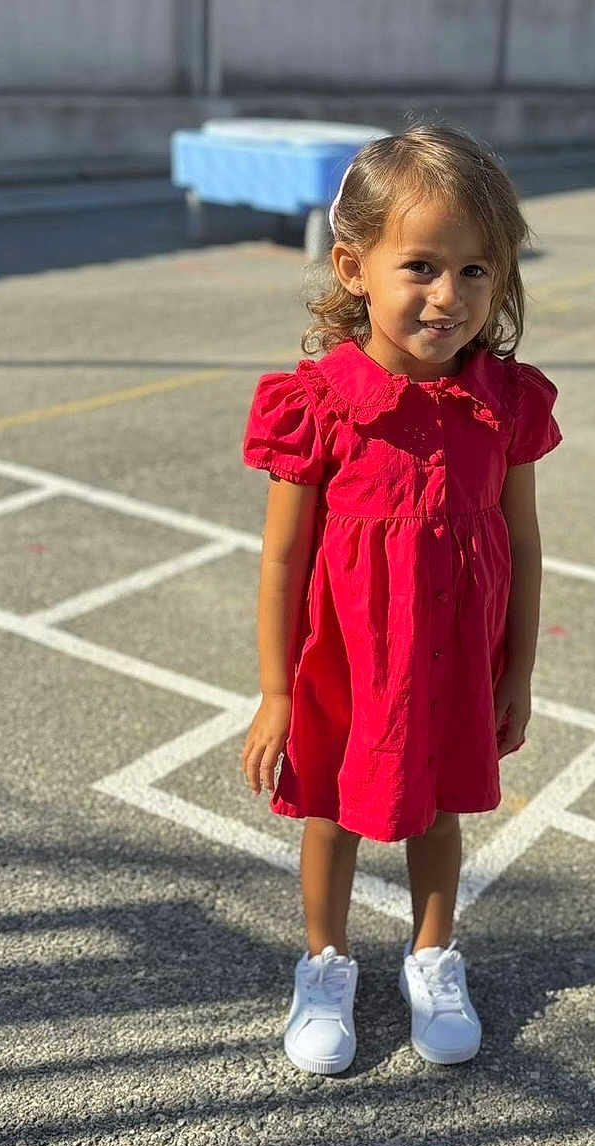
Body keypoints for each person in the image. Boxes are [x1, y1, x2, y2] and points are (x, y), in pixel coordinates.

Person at [239, 123, 561, 1075]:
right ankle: (326, 963)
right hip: (347, 652)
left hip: (457, 650)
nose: (448, 296)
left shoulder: (504, 403)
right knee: (332, 807)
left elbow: (525, 541)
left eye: (475, 271)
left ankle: (432, 954)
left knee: (437, 804)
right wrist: (275, 692)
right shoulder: (322, 402)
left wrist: (519, 672)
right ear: (353, 267)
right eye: (420, 265)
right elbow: (283, 559)